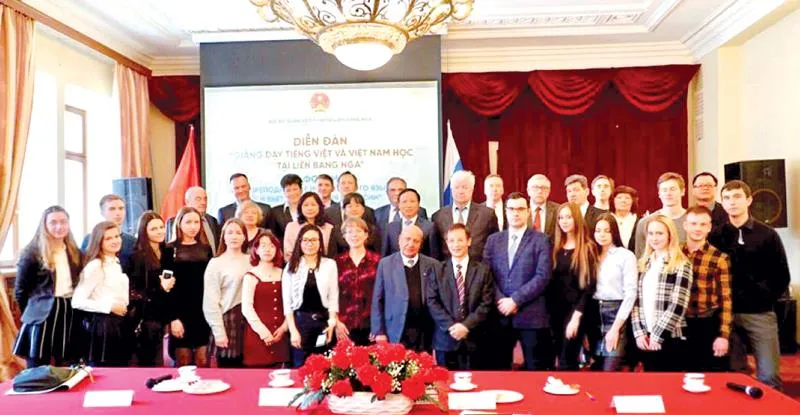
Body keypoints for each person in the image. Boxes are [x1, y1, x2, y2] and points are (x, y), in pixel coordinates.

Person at [709, 180, 789, 390]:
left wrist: (762, 298)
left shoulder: (767, 234)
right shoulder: (715, 235)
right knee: (735, 375)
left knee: (769, 375)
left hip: (759, 313)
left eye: (737, 197)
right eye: (726, 198)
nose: (732, 202)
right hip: (726, 315)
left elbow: (781, 276)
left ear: (749, 200)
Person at [484, 192, 553, 370]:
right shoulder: (493, 240)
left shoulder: (541, 240)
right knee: (498, 370)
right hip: (499, 315)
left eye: (521, 209)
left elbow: (543, 275)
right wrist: (501, 300)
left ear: (528, 211)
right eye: (512, 209)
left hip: (531, 316)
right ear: (505, 211)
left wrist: (515, 300)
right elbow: (486, 275)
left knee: (535, 371)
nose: (516, 213)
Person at [13, 206, 83, 368]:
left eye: (63, 222)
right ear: (44, 225)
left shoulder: (75, 252)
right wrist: (33, 312)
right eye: (53, 222)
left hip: (69, 310)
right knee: (37, 363)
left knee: (67, 362)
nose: (59, 226)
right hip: (42, 313)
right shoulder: (32, 253)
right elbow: (20, 291)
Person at [427, 224, 494, 370]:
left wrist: (466, 326)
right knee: (445, 382)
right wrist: (451, 326)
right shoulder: (437, 270)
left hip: (474, 339)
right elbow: (432, 302)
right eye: (451, 241)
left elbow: (486, 303)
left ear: (469, 241)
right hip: (445, 339)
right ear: (446, 243)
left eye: (460, 240)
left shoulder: (483, 270)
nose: (456, 245)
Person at [631, 215, 693, 372]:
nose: (654, 238)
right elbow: (635, 301)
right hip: (646, 336)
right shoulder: (643, 263)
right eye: (651, 233)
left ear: (670, 235)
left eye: (659, 233)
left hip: (670, 337)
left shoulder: (681, 264)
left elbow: (678, 305)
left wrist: (658, 335)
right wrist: (639, 333)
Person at [371, 225, 440, 352]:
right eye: (407, 239)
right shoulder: (385, 264)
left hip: (424, 331)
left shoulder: (433, 265)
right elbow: (378, 299)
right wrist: (379, 331)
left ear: (421, 244)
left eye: (416, 241)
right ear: (399, 240)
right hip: (395, 329)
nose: (411, 244)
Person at [547, 202, 598, 370]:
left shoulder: (587, 248)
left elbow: (589, 287)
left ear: (576, 219)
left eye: (568, 217)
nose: (564, 221)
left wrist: (576, 318)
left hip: (576, 311)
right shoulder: (553, 246)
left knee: (566, 361)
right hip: (553, 312)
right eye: (561, 217)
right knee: (557, 358)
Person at [682, 205, 732, 373]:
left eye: (703, 224)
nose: (698, 228)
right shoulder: (676, 254)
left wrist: (723, 335)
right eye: (693, 223)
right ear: (685, 225)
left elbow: (726, 299)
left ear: (709, 227)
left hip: (707, 323)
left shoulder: (720, 258)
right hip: (679, 323)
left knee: (709, 375)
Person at [72, 221, 130, 366]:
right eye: (108, 238)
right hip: (103, 326)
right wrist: (109, 306)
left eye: (117, 236)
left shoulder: (115, 262)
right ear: (99, 241)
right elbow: (77, 301)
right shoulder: (96, 265)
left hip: (118, 323)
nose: (115, 241)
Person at [282, 225, 339, 367]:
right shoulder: (291, 266)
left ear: (320, 243)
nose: (310, 244)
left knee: (324, 366)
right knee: (300, 365)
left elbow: (333, 296)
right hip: (301, 324)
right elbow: (287, 303)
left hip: (323, 324)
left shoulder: (330, 265)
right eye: (305, 240)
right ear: (299, 242)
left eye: (314, 240)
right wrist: (293, 330)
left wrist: (332, 323)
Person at [164, 207, 213, 367]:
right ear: (179, 224)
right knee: (183, 361)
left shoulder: (206, 249)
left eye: (196, 222)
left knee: (203, 360)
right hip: (180, 312)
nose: (193, 226)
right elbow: (166, 289)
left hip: (202, 311)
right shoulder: (169, 250)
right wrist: (173, 318)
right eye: (188, 222)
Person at [589, 213, 637, 371]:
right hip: (594, 314)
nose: (602, 235)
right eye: (598, 231)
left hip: (616, 314)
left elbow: (631, 294)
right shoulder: (590, 254)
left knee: (610, 369)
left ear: (614, 232)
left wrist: (615, 328)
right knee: (595, 368)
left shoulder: (625, 256)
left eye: (607, 231)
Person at [126, 211, 175, 367]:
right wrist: (160, 288)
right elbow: (133, 292)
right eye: (154, 229)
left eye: (161, 227)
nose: (160, 231)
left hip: (163, 315)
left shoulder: (167, 252)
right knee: (150, 363)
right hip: (145, 319)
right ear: (144, 231)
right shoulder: (136, 256)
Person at [203, 219, 252, 367]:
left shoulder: (252, 260)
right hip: (228, 319)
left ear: (245, 237)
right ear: (223, 237)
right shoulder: (216, 263)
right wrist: (219, 331)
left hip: (250, 319)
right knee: (229, 368)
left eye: (238, 233)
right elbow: (210, 301)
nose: (234, 236)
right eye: (230, 233)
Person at [241, 230, 290, 368]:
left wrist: (284, 328)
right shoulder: (251, 275)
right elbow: (247, 308)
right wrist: (264, 333)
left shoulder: (284, 274)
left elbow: (291, 304)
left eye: (271, 246)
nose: (267, 249)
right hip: (257, 335)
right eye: (263, 245)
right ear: (256, 250)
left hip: (281, 334)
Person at [432, 170, 499, 261]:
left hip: (479, 267)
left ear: (472, 189)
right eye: (457, 187)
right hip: (447, 268)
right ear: (451, 189)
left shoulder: (487, 214)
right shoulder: (438, 216)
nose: (460, 191)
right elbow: (435, 251)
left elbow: (495, 246)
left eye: (464, 187)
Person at [334, 218, 381, 346]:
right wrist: (336, 322)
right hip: (344, 326)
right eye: (349, 232)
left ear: (366, 234)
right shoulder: (336, 262)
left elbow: (384, 295)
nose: (354, 235)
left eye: (358, 231)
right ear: (344, 236)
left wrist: (379, 326)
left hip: (371, 325)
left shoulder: (378, 261)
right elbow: (331, 295)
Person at [634, 172, 688, 259]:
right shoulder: (645, 222)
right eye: (664, 190)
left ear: (682, 191)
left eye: (673, 189)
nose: (668, 193)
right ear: (659, 193)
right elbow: (640, 257)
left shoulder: (693, 221)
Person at [80, 194, 136, 269]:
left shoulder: (132, 241)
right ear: (102, 212)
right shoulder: (90, 239)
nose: (118, 213)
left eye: (121, 208)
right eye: (112, 209)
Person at [381, 189, 438, 258]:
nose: (408, 205)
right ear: (399, 205)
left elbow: (434, 256)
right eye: (404, 202)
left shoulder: (429, 227)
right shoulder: (390, 227)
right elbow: (385, 255)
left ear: (418, 204)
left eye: (412, 201)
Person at [166, 187, 220, 254]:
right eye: (198, 199)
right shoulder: (173, 222)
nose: (203, 202)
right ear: (187, 202)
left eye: (205, 199)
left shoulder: (212, 220)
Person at [283, 192, 335, 261]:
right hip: (298, 265)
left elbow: (331, 253)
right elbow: (288, 254)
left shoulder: (329, 228)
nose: (310, 208)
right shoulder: (291, 227)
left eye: (313, 205)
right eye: (306, 205)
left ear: (319, 207)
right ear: (300, 207)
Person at [270, 174, 303, 240]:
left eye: (295, 189)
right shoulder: (275, 212)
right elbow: (273, 236)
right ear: (284, 192)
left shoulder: (309, 209)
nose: (292, 193)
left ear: (301, 190)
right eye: (288, 190)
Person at [526, 174, 559, 240]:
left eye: (543, 188)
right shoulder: (520, 208)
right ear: (528, 190)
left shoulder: (558, 209)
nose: (540, 191)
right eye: (535, 187)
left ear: (549, 191)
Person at [612, 185, 640, 252]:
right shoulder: (607, 219)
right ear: (613, 200)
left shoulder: (639, 221)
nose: (623, 201)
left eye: (627, 198)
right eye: (619, 197)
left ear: (633, 201)